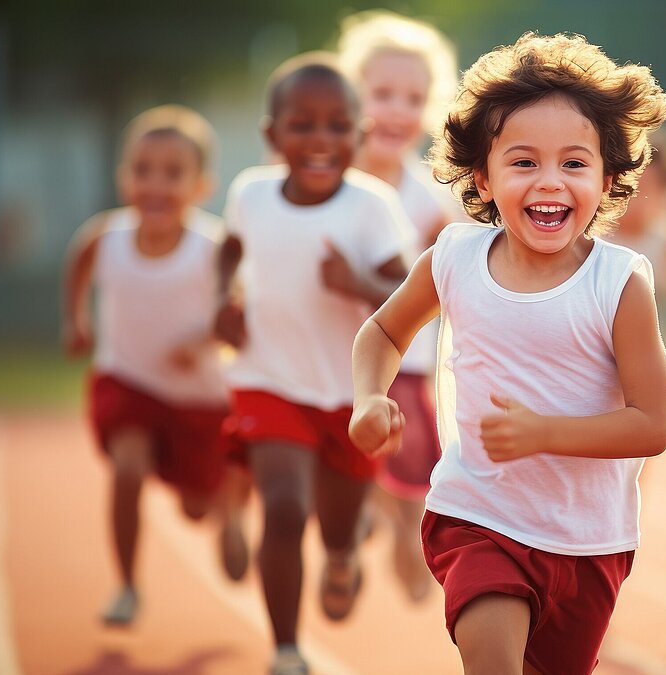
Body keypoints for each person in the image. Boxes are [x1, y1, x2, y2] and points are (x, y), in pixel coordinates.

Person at [348, 33, 666, 675]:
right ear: (483, 177)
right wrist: (368, 397)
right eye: (523, 162)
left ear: (608, 178)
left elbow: (653, 425)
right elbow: (383, 334)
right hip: (478, 514)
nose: (550, 181)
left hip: (587, 540)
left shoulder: (619, 283)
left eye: (574, 164)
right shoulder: (453, 257)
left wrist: (543, 433)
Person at [214, 52, 412, 675]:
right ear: (273, 135)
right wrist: (226, 300)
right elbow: (231, 249)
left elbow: (406, 293)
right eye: (302, 125)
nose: (320, 140)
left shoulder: (370, 206)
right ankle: (285, 649)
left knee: (336, 524)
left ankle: (343, 556)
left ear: (359, 135)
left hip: (349, 393)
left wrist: (353, 278)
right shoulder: (249, 194)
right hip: (267, 379)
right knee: (282, 507)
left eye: (336, 126)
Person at [61, 104, 249, 627]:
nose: (156, 185)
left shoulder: (214, 248)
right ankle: (126, 585)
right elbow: (79, 260)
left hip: (200, 400)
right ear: (124, 178)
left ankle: (229, 511)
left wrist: (202, 335)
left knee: (196, 506)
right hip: (128, 381)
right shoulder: (108, 238)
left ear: (201, 185)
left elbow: (238, 312)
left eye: (173, 174)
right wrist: (75, 319)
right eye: (143, 171)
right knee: (127, 467)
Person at [338, 9, 460, 602]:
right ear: (348, 96)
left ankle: (401, 527)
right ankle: (353, 527)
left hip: (405, 363)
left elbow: (433, 292)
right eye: (380, 93)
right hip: (324, 359)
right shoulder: (322, 187)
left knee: (409, 466)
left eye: (412, 98)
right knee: (341, 464)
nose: (395, 109)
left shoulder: (432, 198)